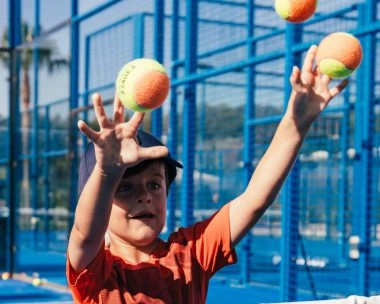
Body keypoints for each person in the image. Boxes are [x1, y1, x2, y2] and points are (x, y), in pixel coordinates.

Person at [66, 45, 348, 303]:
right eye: (124, 188)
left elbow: (253, 201)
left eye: (154, 184)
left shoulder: (191, 252)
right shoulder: (95, 272)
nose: (145, 196)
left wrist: (296, 123)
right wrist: (105, 173)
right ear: (101, 201)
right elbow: (85, 233)